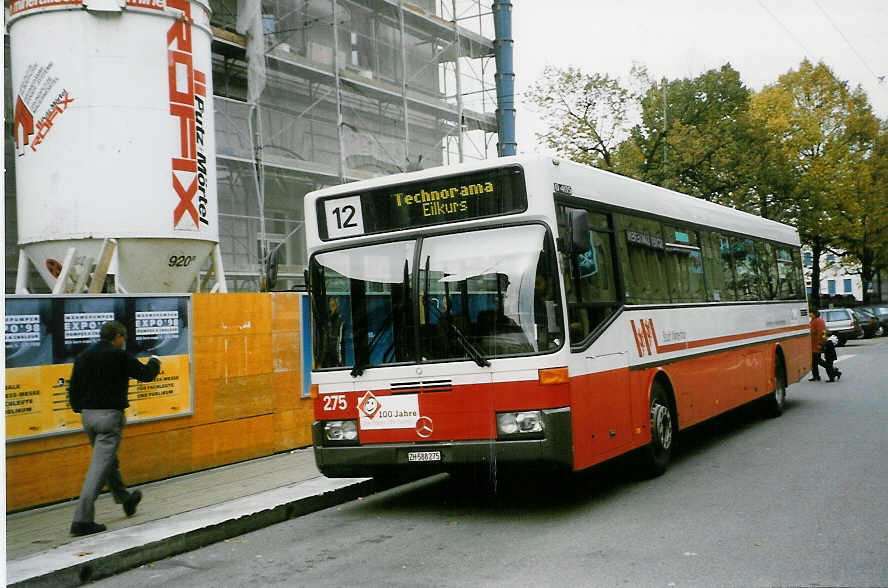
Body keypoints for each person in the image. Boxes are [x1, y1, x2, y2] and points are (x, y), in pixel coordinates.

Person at [67, 320, 161, 537]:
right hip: (109, 417)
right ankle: (82, 520)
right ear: (117, 336)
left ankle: (125, 499)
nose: (124, 342)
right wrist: (155, 360)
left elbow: (74, 388)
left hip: (88, 417)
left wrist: (79, 408)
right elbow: (146, 374)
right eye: (124, 338)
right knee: (98, 468)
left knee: (107, 461)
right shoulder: (119, 355)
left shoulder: (84, 356)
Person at [808, 309, 826, 381]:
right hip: (813, 344)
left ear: (814, 314)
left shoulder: (817, 321)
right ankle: (816, 376)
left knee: (817, 360)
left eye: (811, 312)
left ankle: (833, 370)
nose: (809, 314)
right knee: (814, 361)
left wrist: (819, 343)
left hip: (816, 344)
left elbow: (820, 333)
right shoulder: (813, 320)